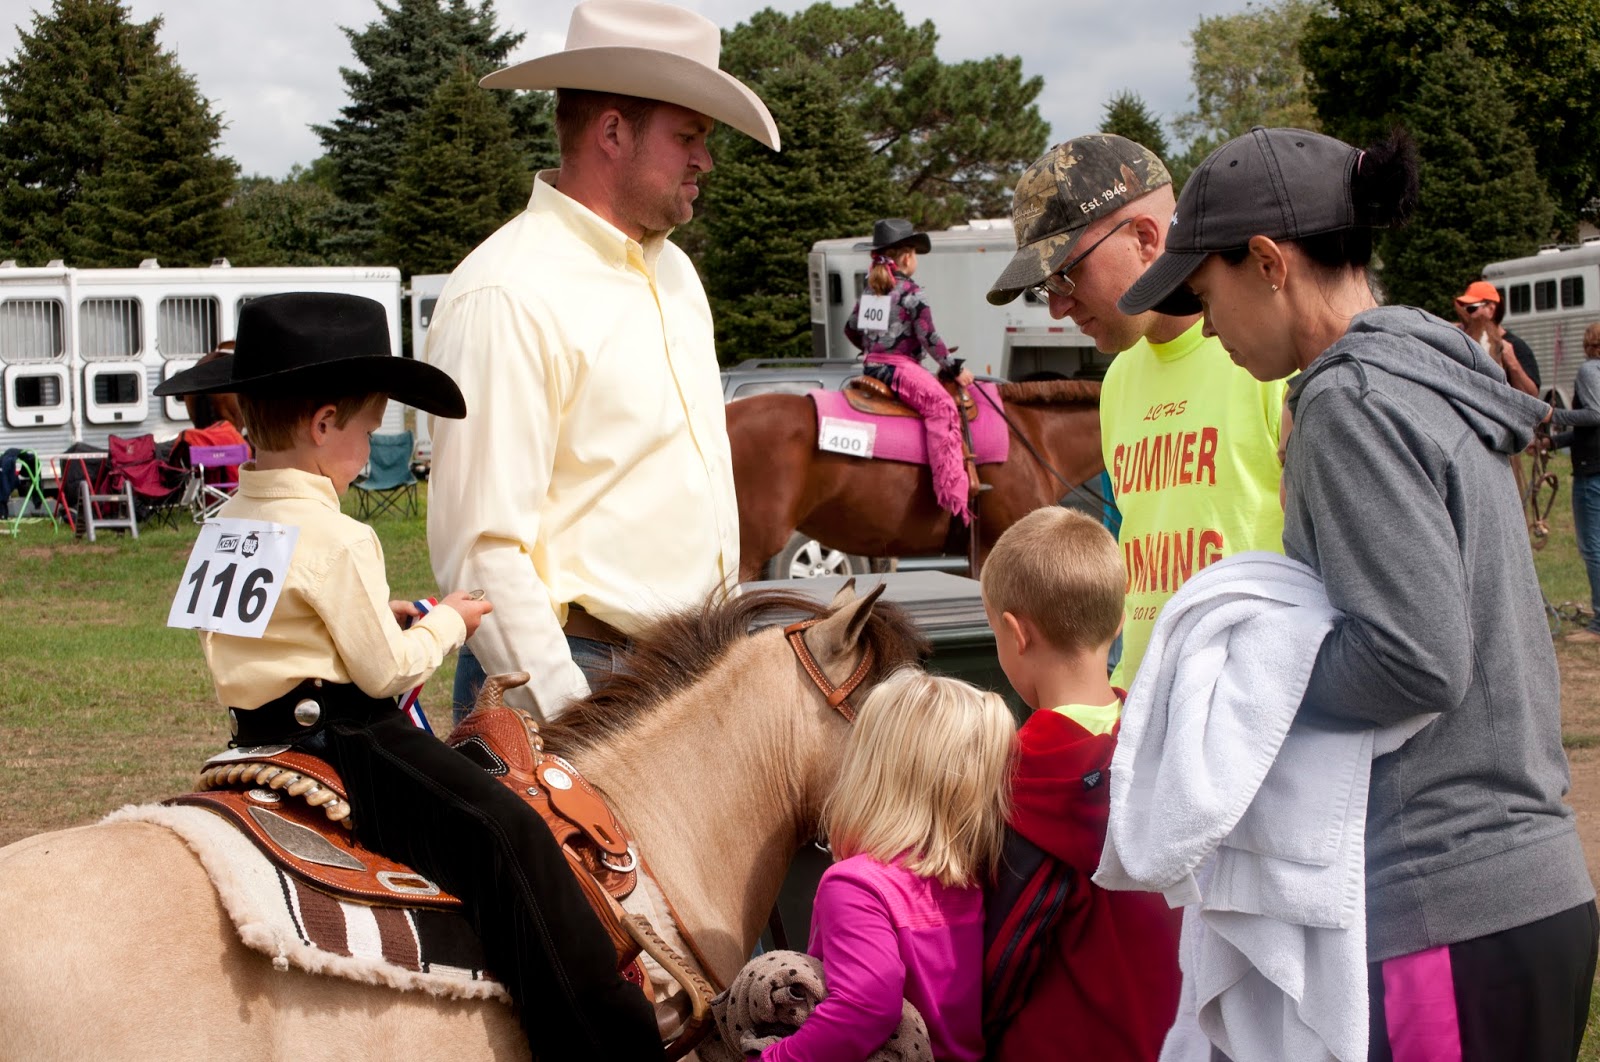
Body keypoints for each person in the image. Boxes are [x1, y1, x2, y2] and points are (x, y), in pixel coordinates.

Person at [1117, 125, 1597, 1059]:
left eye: (1205, 296)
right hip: (1523, 895)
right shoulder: (1425, 376)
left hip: (1443, 908)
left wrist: (1233, 680)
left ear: (1268, 264)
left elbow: (1414, 658)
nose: (1205, 327)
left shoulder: (1349, 401)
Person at [154, 292, 663, 1060]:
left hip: (253, 738)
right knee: (512, 837)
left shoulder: (224, 524)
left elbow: (256, 628)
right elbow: (384, 671)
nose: (368, 450)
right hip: (348, 741)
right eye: (366, 431)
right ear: (325, 425)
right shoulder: (338, 536)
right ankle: (608, 1043)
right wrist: (449, 621)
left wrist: (367, 615)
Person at [425, 0, 780, 722]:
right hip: (580, 678)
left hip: (687, 670)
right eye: (688, 136)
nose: (705, 160)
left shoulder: (676, 274)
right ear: (613, 132)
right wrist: (575, 723)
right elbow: (484, 554)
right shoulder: (507, 291)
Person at [986, 134, 1288, 687]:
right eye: (1047, 287)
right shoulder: (1120, 379)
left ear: (1145, 238)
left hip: (1249, 710)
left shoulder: (1269, 362)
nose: (1058, 307)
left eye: (1066, 274)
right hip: (1145, 706)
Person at [978, 507, 1180, 1061]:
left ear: (1016, 633)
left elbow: (997, 959)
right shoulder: (1169, 746)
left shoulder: (1011, 776)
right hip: (1174, 1041)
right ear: (1119, 622)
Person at [761, 669, 1014, 1062]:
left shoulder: (856, 886)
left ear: (871, 770)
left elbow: (864, 1008)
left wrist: (775, 1059)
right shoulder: (977, 878)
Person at [844, 218, 977, 522]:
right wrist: (956, 369)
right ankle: (951, 494)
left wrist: (873, 347)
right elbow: (929, 338)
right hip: (898, 369)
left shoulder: (871, 291)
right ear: (906, 258)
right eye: (915, 254)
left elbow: (850, 329)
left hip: (871, 366)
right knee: (943, 407)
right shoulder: (912, 292)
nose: (916, 259)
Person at [1554, 322, 1600, 643]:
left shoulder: (1589, 370)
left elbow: (1595, 415)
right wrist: (1554, 443)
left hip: (1592, 471)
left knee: (1593, 547)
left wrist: (1552, 415)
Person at [1452, 280, 1539, 395]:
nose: (1467, 314)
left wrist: (1513, 364)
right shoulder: (1463, 339)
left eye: (1471, 308)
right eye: (1464, 308)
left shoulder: (1516, 346)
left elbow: (1532, 395)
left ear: (1491, 309)